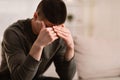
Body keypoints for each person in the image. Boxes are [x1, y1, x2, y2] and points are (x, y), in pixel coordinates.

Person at [0, 0, 76, 80]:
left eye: (58, 27)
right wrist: (38, 45)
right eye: (48, 27)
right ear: (35, 16)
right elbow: (20, 78)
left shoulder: (58, 33)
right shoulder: (13, 33)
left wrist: (70, 47)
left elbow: (67, 77)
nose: (52, 32)